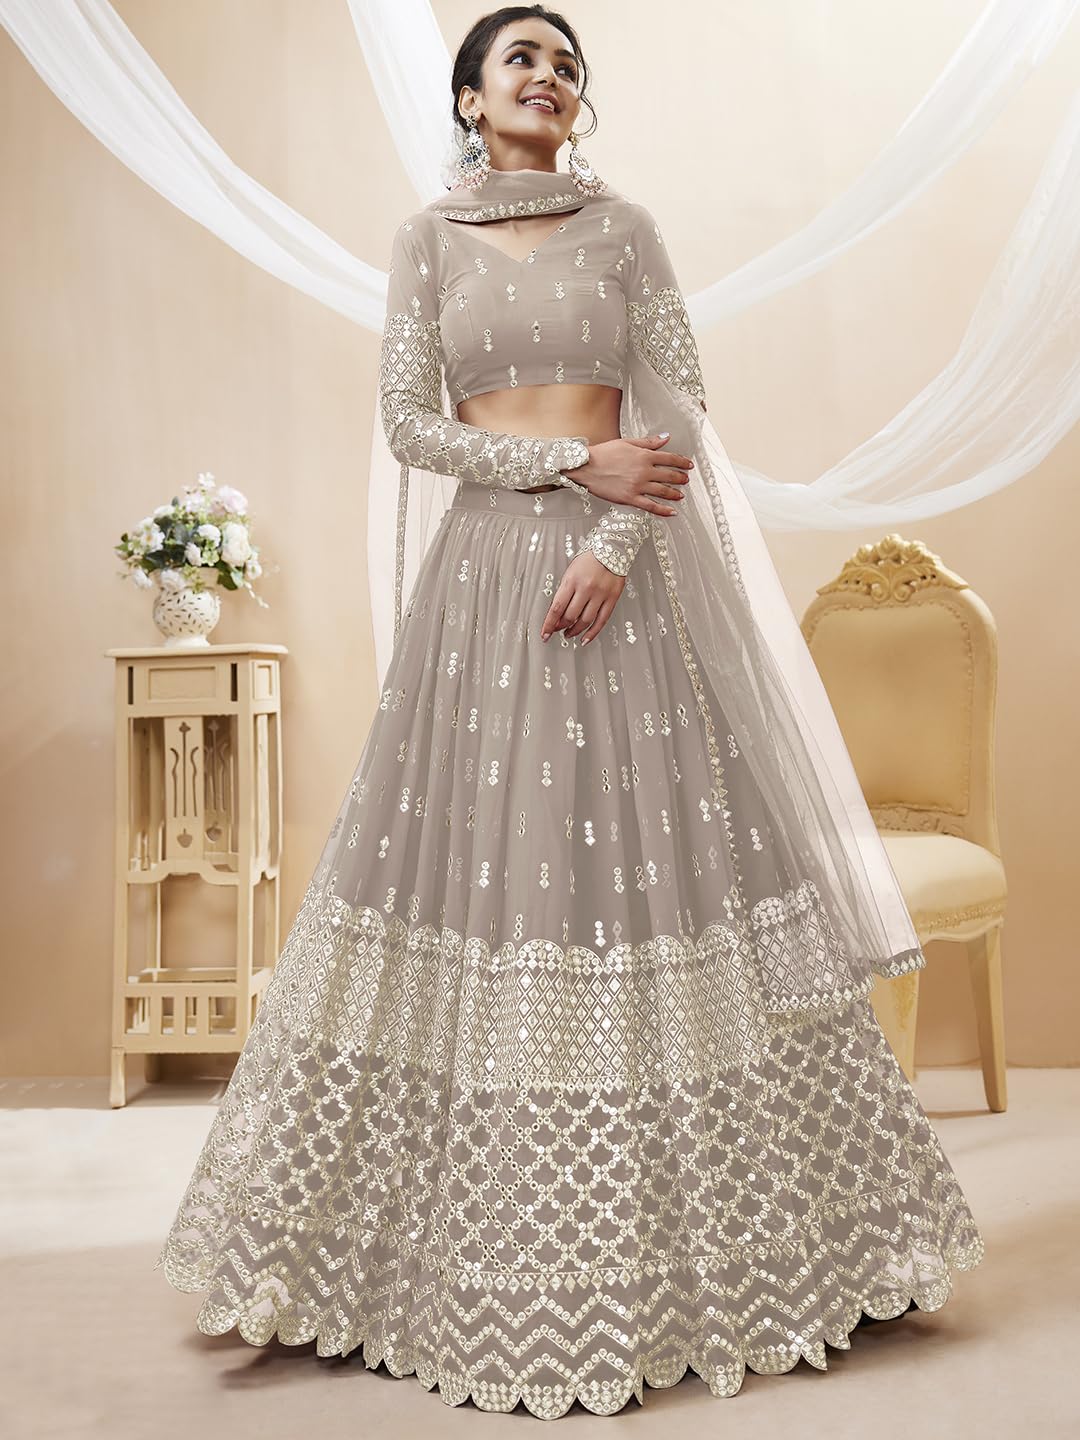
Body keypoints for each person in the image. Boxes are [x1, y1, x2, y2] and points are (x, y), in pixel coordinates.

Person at [157, 6, 985, 1419]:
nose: (547, 76)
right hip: (484, 586)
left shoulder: (625, 229)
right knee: (484, 867)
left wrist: (610, 539)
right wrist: (561, 470)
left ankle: (773, 1245)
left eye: (564, 63)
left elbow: (678, 402)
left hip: (623, 582)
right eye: (520, 59)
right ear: (471, 97)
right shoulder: (428, 240)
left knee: (657, 866)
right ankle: (386, 1256)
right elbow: (411, 423)